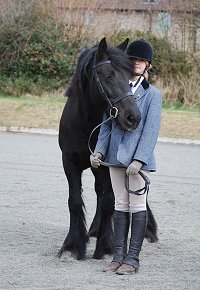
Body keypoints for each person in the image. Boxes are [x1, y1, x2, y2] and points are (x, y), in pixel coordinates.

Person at [90, 39, 162, 275]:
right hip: (113, 157)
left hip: (136, 162)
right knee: (120, 205)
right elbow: (106, 125)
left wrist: (139, 160)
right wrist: (99, 151)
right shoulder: (116, 89)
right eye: (133, 60)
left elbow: (151, 131)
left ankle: (132, 260)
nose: (136, 63)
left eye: (141, 60)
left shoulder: (152, 95)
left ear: (147, 65)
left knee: (137, 205)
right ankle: (118, 257)